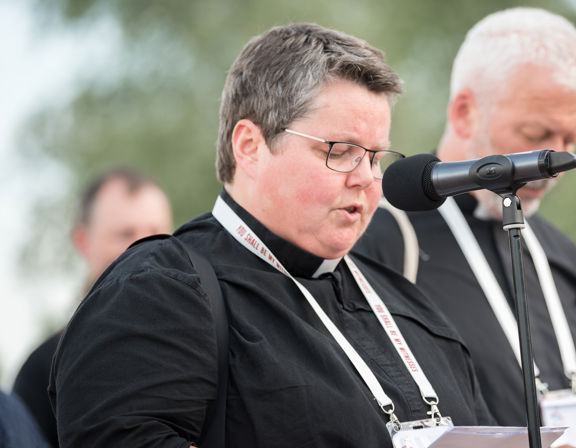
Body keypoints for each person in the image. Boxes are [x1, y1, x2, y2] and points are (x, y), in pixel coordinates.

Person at [49, 23, 492, 447]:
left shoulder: (411, 308)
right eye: (340, 152)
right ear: (250, 147)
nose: (367, 179)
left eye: (375, 157)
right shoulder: (158, 293)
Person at [357, 8, 576, 448]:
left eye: (571, 140)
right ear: (465, 112)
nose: (556, 164)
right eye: (536, 133)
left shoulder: (560, 251)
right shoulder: (383, 241)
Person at [12, 167, 172, 447]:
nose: (146, 247)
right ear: (83, 241)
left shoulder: (206, 348)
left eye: (157, 232)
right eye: (125, 234)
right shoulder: (42, 370)